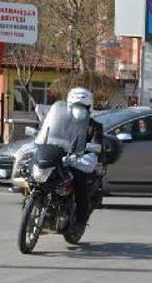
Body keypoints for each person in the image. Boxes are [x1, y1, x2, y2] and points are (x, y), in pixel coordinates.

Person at [63, 87, 102, 238]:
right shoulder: (63, 122)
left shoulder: (95, 127)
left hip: (80, 162)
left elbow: (96, 145)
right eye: (75, 106)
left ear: (89, 107)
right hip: (61, 158)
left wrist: (90, 151)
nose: (78, 109)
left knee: (81, 184)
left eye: (82, 106)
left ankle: (80, 222)